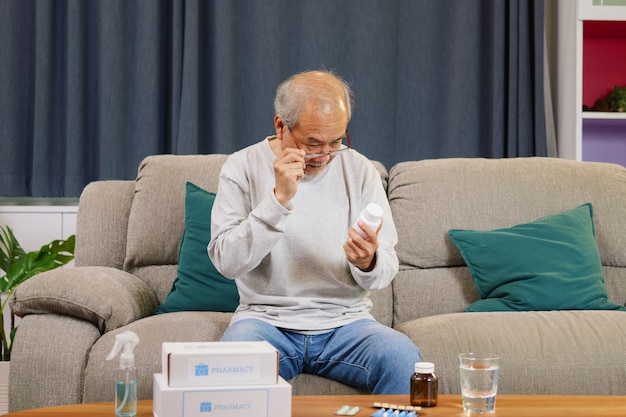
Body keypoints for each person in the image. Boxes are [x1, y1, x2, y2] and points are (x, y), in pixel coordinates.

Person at [208, 69, 421, 394]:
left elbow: (386, 268)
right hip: (265, 322)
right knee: (230, 368)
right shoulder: (242, 167)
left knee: (403, 359)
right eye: (312, 143)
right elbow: (226, 261)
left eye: (336, 142)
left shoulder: (360, 171)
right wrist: (277, 200)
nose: (324, 156)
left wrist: (368, 262)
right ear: (281, 126)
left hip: (347, 324)